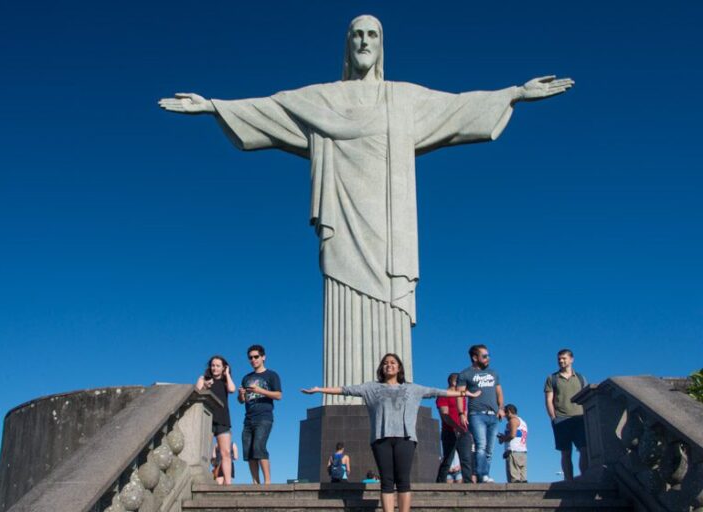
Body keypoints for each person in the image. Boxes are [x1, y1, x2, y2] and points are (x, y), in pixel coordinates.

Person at [159, 15, 574, 404]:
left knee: (391, 296)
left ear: (381, 45)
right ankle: (342, 397)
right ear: (346, 45)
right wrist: (213, 106)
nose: (364, 42)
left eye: (372, 34)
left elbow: (459, 107)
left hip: (390, 222)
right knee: (340, 286)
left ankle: (391, 394)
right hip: (341, 215)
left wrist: (515, 93)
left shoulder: (403, 98)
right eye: (356, 34)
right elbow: (271, 108)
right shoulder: (322, 98)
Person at [302, 353, 480, 512]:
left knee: (403, 480)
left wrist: (465, 394)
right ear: (382, 368)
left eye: (393, 362)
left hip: (405, 438)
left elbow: (437, 391)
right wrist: (319, 390)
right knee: (387, 481)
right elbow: (346, 390)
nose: (389, 365)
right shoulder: (371, 388)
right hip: (381, 439)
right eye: (386, 363)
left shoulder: (412, 388)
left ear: (399, 367)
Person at [457, 344, 504, 483]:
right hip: (476, 414)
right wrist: (461, 413)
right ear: (475, 357)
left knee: (490, 449)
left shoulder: (493, 373)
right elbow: (460, 394)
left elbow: (499, 392)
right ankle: (481, 474)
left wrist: (501, 408)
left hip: (493, 415)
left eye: (488, 355)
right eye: (484, 356)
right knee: (481, 445)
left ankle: (485, 475)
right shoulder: (465, 374)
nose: (488, 358)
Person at [238, 344, 282, 484]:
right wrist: (241, 395)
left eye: (256, 357)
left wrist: (259, 390)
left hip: (264, 417)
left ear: (263, 357)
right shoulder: (246, 378)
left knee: (259, 447)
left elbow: (278, 395)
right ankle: (255, 483)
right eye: (250, 358)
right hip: (248, 419)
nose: (253, 360)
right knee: (248, 451)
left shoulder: (272, 375)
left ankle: (267, 483)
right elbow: (242, 401)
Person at [545, 348, 588, 481]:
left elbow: (587, 397)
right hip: (561, 419)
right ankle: (569, 481)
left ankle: (585, 479)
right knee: (566, 452)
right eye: (559, 359)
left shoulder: (580, 378)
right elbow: (549, 400)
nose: (561, 361)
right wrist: (553, 417)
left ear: (571, 359)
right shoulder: (552, 378)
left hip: (580, 418)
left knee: (584, 450)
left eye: (564, 358)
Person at [196, 355, 235, 485]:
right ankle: (203, 481)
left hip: (222, 419)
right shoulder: (203, 379)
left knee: (226, 453)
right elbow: (195, 395)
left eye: (218, 366)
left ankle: (228, 484)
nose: (215, 368)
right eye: (213, 365)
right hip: (207, 419)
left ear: (223, 367)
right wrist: (205, 387)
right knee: (204, 453)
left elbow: (232, 389)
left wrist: (227, 374)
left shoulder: (225, 381)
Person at [436, 372, 475, 483]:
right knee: (448, 459)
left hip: (464, 432)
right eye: (462, 383)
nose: (464, 386)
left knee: (466, 459)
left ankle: (468, 484)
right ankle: (440, 483)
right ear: (454, 382)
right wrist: (456, 427)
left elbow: (464, 413)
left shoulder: (461, 397)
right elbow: (445, 415)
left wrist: (466, 429)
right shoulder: (443, 395)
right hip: (449, 432)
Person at [498, 404, 527, 483]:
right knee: (523, 480)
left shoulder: (513, 420)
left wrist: (503, 439)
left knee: (514, 480)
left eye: (505, 413)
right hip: (522, 452)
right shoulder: (522, 422)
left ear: (509, 412)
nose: (504, 416)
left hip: (514, 452)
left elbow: (512, 435)